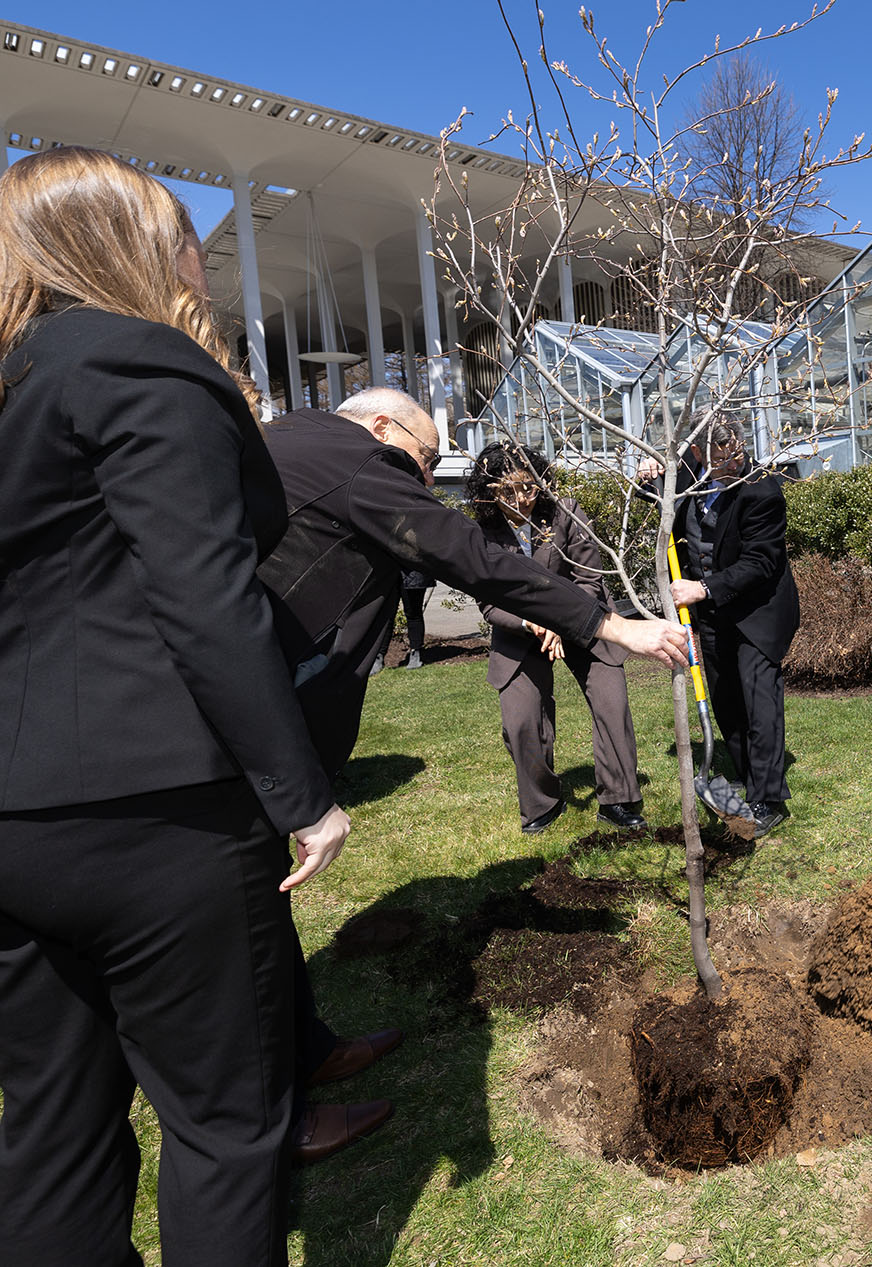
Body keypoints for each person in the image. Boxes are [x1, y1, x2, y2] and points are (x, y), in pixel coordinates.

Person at [0, 147, 351, 1265]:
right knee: (224, 1126)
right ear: (126, 244)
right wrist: (303, 795)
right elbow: (202, 597)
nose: (202, 254)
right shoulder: (138, 363)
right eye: (185, 230)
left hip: (15, 820)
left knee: (52, 1128)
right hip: (160, 810)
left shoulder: (17, 383)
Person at [256, 386, 688, 1153]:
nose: (423, 482)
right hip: (240, 737)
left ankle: (309, 1050)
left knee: (260, 903)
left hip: (261, 732)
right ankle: (270, 1111)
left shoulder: (291, 442)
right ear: (383, 428)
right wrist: (608, 620)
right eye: (424, 461)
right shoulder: (353, 458)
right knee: (242, 920)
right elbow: (470, 558)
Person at [468, 441, 649, 834]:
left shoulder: (565, 512)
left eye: (529, 487)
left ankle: (619, 799)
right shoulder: (481, 534)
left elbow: (589, 580)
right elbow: (488, 603)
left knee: (611, 703)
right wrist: (533, 624)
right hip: (520, 632)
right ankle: (541, 802)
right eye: (508, 491)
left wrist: (559, 622)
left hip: (586, 622)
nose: (521, 499)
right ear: (489, 492)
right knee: (520, 722)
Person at [643, 418, 801, 837]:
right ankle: (747, 779)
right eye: (720, 455)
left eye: (736, 450)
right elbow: (661, 503)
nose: (733, 460)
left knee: (758, 699)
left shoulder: (761, 488)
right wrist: (647, 477)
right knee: (726, 699)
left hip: (758, 613)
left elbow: (762, 561)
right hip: (713, 615)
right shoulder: (690, 479)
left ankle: (768, 798)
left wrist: (704, 587)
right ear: (697, 454)